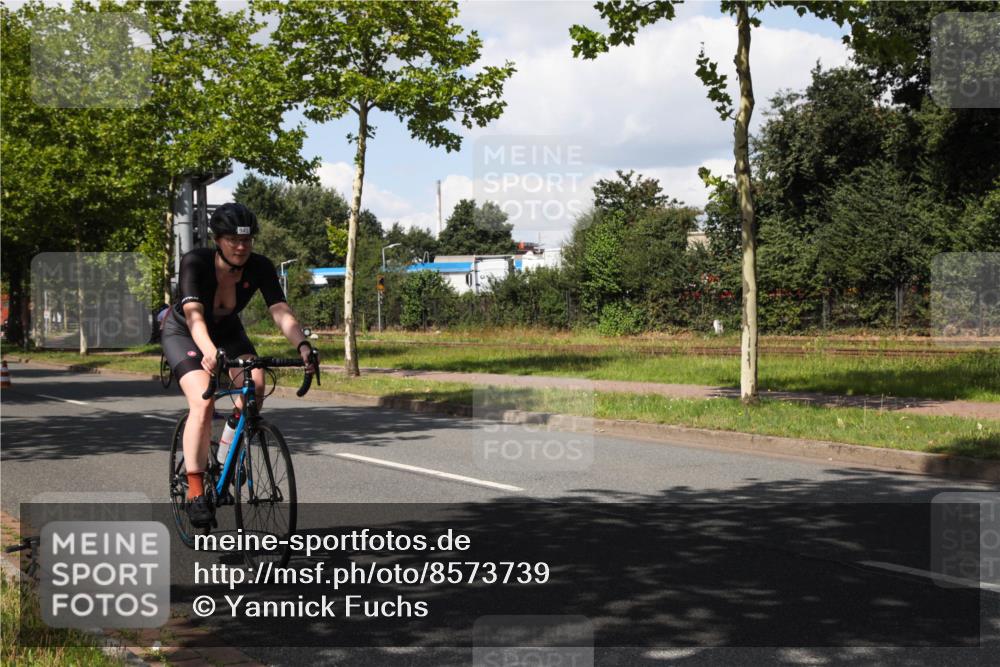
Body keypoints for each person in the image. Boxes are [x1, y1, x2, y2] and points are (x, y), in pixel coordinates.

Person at [161, 202, 317, 528]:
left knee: (256, 385)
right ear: (218, 239)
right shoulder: (196, 262)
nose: (242, 246)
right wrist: (208, 351)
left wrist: (302, 345)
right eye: (233, 239)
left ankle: (226, 453)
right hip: (186, 333)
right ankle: (195, 491)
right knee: (202, 401)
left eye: (247, 240)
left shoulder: (259, 266)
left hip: (228, 331)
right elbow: (193, 315)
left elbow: (279, 309)